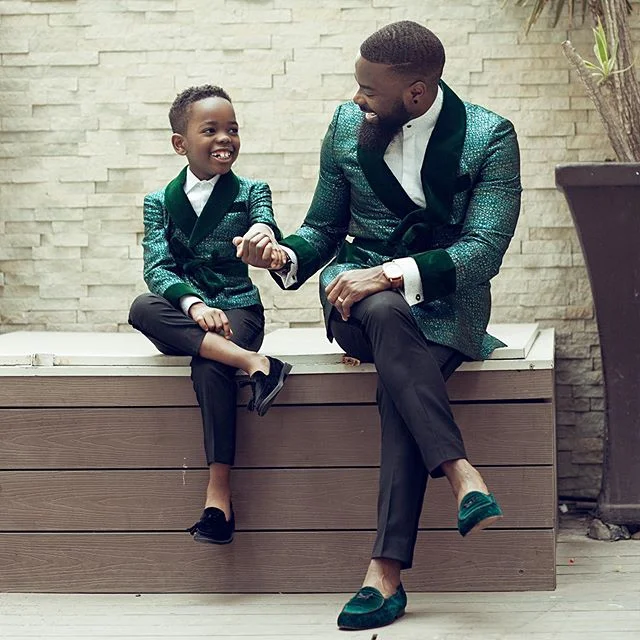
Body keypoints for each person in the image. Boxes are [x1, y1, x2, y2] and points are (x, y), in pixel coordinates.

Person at [234, 21, 521, 631]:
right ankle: (459, 473)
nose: (356, 98)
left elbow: (483, 250)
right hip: (354, 302)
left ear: (416, 94)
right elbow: (321, 229)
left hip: (446, 306)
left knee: (398, 390)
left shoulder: (489, 136)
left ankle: (384, 573)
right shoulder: (346, 127)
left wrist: (390, 274)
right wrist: (280, 254)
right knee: (384, 311)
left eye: (369, 88)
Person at [128, 85, 291, 547]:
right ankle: (256, 365)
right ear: (180, 143)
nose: (226, 138)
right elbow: (157, 267)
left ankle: (218, 494)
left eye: (233, 129)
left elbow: (265, 224)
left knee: (209, 362)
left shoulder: (251, 191)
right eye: (211, 130)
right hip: (190, 313)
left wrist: (261, 239)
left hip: (238, 308)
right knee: (141, 305)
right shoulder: (159, 201)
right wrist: (196, 306)